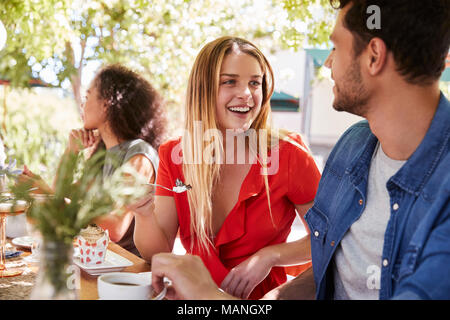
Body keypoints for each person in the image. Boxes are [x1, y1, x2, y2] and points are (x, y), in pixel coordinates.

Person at [150, 0, 450, 300]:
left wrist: (205, 296)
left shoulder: (290, 153)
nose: (328, 62)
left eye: (335, 47)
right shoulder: (352, 149)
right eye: (229, 82)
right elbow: (330, 266)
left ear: (374, 56)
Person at [131, 36, 321, 299]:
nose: (246, 93)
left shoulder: (289, 153)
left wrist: (270, 257)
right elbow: (157, 251)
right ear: (203, 89)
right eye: (230, 81)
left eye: (255, 82)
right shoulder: (175, 155)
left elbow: (328, 237)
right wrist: (143, 214)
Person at [22, 64, 166, 256]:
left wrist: (46, 194)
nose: (83, 104)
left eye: (88, 96)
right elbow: (62, 201)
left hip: (127, 271)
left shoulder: (139, 154)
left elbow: (114, 227)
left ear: (106, 104)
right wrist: (70, 153)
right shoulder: (104, 156)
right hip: (96, 261)